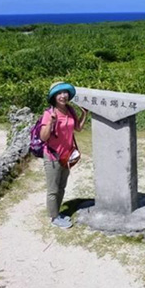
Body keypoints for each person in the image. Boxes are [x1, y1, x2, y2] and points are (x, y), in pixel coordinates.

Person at [40, 81, 88, 229]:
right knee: (53, 189)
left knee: (62, 186)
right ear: (54, 97)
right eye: (59, 93)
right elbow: (43, 137)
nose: (63, 96)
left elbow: (78, 128)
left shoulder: (70, 110)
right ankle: (54, 218)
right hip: (53, 156)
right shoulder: (49, 114)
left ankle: (58, 212)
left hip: (66, 156)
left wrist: (84, 114)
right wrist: (51, 123)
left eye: (65, 93)